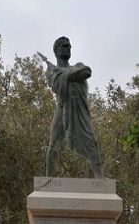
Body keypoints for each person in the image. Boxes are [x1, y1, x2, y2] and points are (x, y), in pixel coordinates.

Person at [37, 36, 104, 179]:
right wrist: (67, 76)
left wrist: (63, 75)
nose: (67, 48)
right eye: (63, 46)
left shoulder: (77, 65)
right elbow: (55, 86)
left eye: (69, 46)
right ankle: (49, 178)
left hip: (79, 110)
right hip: (62, 108)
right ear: (55, 51)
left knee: (90, 140)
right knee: (53, 143)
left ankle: (99, 177)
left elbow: (87, 71)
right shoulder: (51, 72)